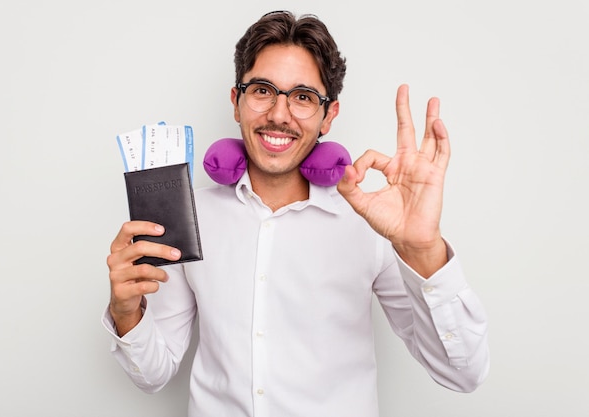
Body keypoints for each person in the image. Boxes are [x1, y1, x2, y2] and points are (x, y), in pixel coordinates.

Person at [103, 10, 489, 417]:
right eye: (263, 90)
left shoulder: (374, 224)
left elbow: (462, 373)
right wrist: (127, 312)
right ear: (237, 102)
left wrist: (423, 249)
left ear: (329, 115)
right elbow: (153, 374)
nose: (279, 114)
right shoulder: (190, 215)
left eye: (303, 97)